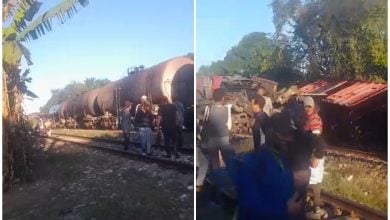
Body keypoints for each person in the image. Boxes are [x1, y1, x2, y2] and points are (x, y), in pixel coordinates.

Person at [235, 113, 314, 220]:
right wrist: (284, 209)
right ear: (271, 133)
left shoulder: (284, 160)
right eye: (284, 134)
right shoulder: (253, 162)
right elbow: (249, 204)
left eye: (291, 134)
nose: (289, 139)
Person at [203, 88, 235, 170]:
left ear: (213, 98)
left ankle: (216, 178)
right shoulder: (227, 108)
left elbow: (205, 122)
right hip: (224, 137)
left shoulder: (208, 108)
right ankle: (230, 176)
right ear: (223, 98)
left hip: (211, 138)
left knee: (214, 161)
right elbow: (229, 125)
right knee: (228, 160)